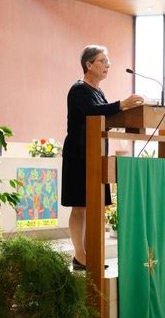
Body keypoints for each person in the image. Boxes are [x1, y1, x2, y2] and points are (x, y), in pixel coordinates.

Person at [61, 45, 144, 270]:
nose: (107, 65)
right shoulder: (79, 89)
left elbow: (105, 112)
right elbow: (93, 111)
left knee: (96, 206)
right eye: (102, 61)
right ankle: (80, 255)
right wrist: (122, 104)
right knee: (80, 206)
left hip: (96, 153)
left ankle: (92, 254)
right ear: (88, 65)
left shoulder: (98, 91)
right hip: (79, 154)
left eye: (108, 62)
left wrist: (129, 111)